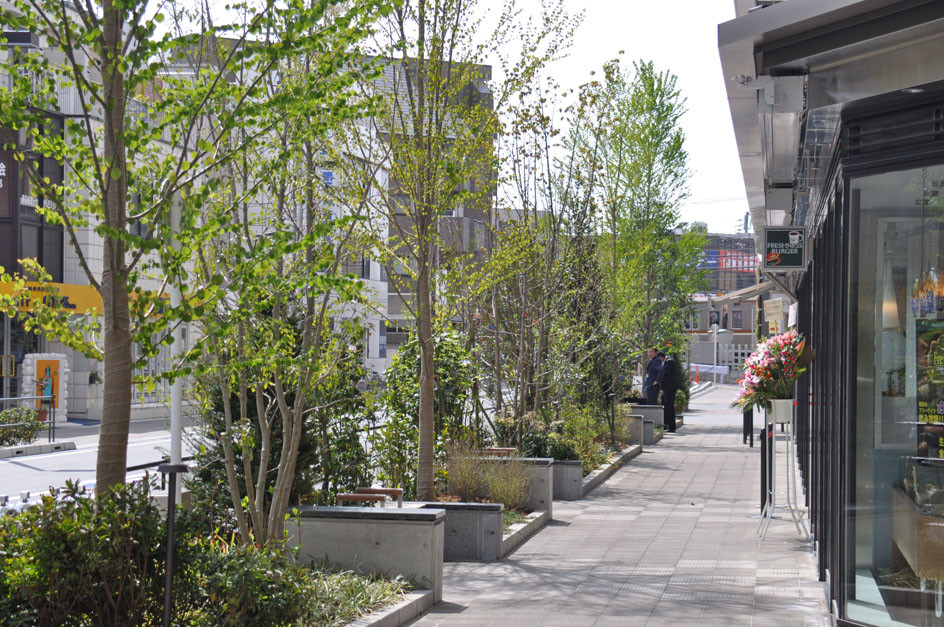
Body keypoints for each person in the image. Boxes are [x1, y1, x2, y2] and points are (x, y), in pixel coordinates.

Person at [660, 352, 678, 433]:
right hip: (666, 388)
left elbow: (666, 375)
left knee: (669, 406)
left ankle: (672, 426)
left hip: (669, 388)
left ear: (661, 357)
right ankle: (667, 424)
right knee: (666, 406)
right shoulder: (667, 362)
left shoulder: (669, 362)